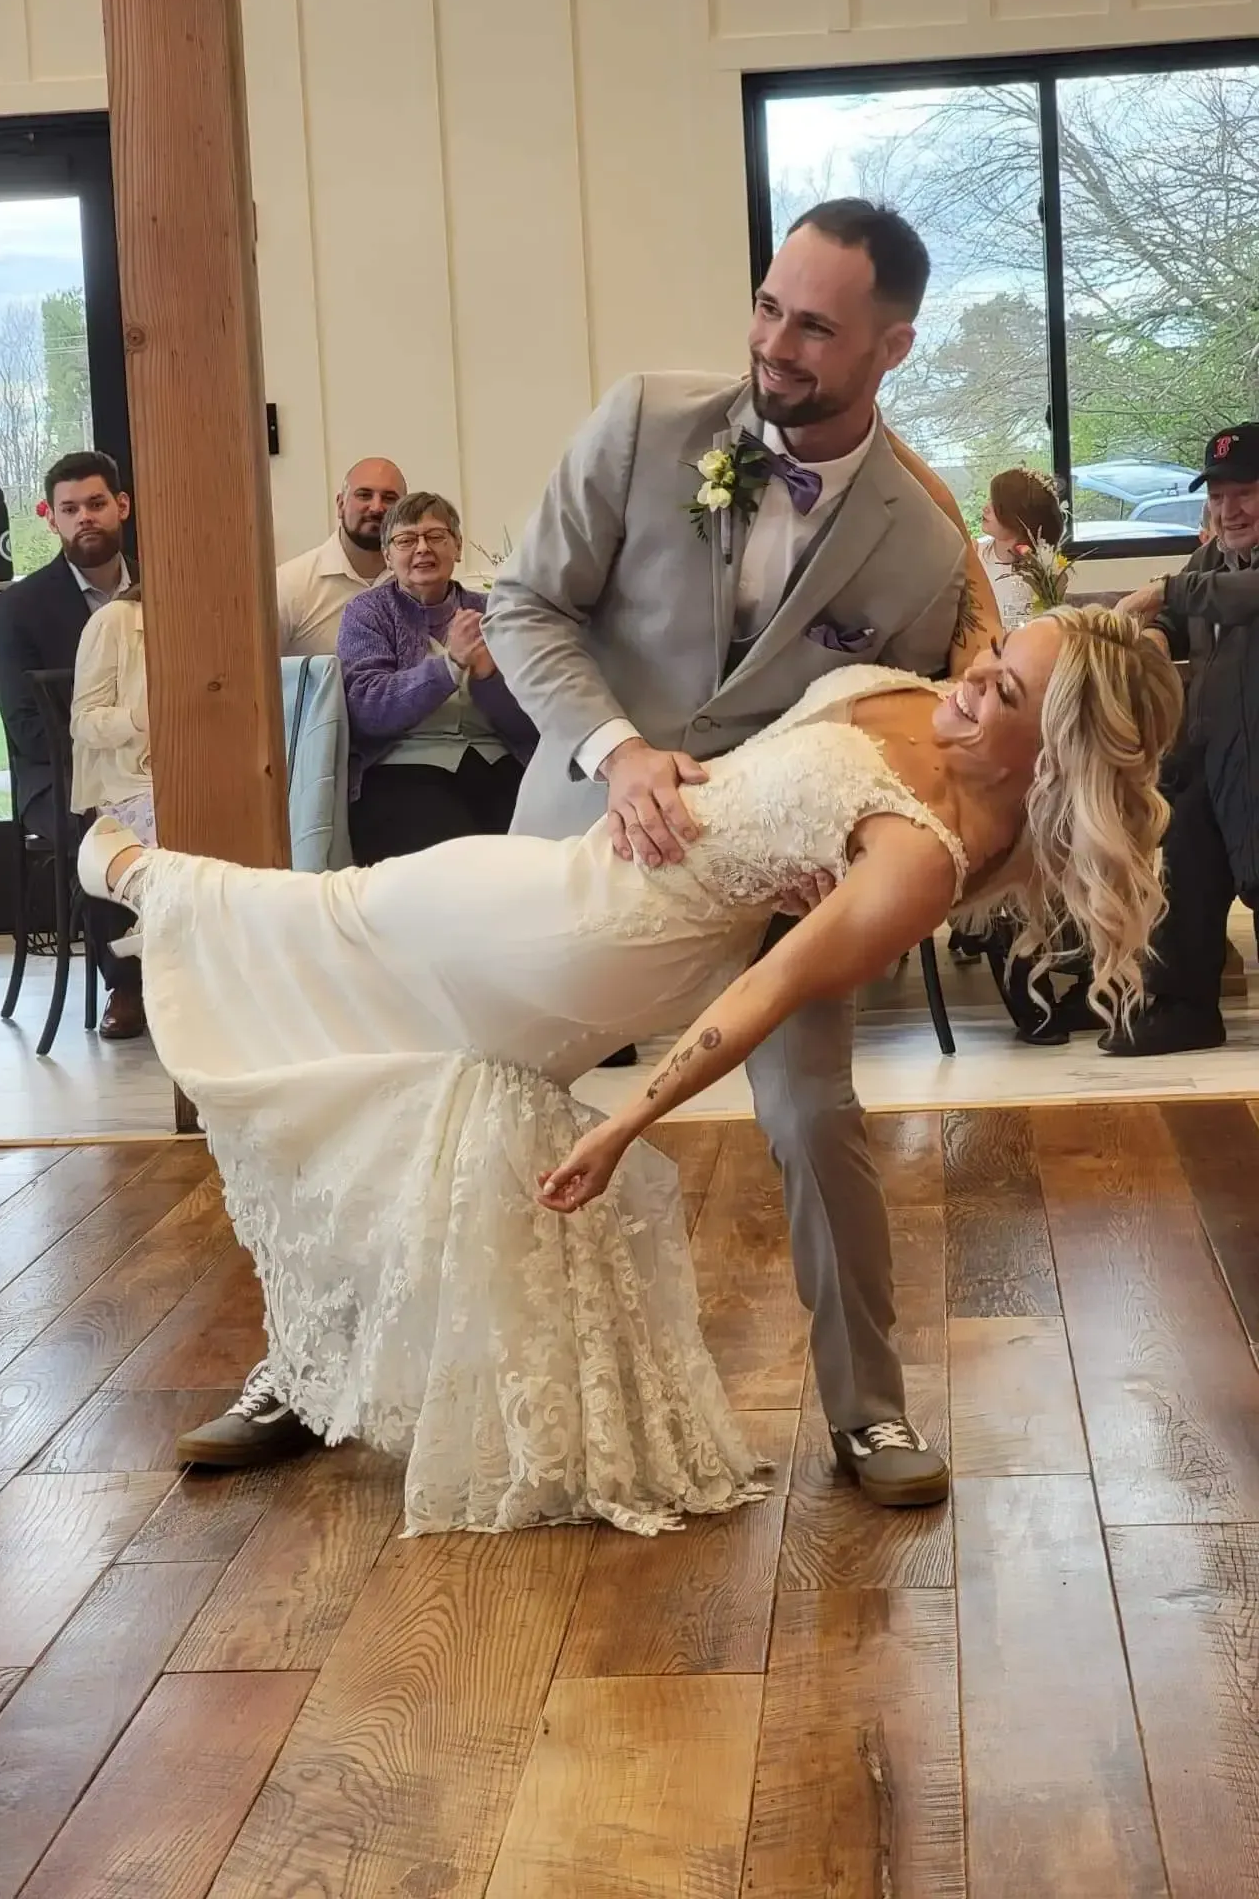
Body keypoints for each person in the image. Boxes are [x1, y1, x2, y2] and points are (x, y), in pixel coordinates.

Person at [77, 608, 1181, 1535]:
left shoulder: (921, 859)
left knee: (329, 925)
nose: (971, 682)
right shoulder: (940, 706)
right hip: (572, 873)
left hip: (602, 937)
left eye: (1002, 691)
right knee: (390, 1069)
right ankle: (311, 1369)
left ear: (1050, 752)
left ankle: (129, 865)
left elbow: (762, 995)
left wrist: (621, 1125)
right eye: (990, 660)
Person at [481, 198, 1002, 1511]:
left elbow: (900, 721)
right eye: (769, 307)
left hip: (780, 885)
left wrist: (846, 841)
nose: (773, 343)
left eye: (815, 328)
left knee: (817, 1116)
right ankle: (308, 1370)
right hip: (586, 833)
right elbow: (524, 603)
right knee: (459, 1093)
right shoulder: (643, 423)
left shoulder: (924, 546)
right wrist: (618, 751)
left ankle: (870, 1412)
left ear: (892, 347)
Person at [1105, 423, 1259, 1055]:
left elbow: (1233, 597)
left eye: (1245, 493)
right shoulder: (1212, 558)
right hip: (1208, 756)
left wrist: (1164, 590)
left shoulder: (1221, 575)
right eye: (1218, 497)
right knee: (1185, 873)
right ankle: (1184, 1009)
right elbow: (1177, 615)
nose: (1229, 511)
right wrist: (1156, 636)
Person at [0, 451, 145, 1041]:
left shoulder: (167, 586)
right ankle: (128, 984)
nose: (85, 518)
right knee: (103, 826)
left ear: (121, 506)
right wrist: (106, 763)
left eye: (97, 504)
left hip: (152, 764)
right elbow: (26, 727)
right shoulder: (21, 607)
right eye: (70, 508)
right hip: (58, 775)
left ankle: (202, 970)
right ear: (50, 517)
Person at [341, 493, 537, 865]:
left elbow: (532, 722)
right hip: (402, 768)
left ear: (457, 546)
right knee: (458, 866)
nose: (422, 548)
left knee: (533, 859)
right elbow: (367, 710)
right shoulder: (368, 612)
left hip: (498, 763)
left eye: (435, 536)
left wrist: (488, 676)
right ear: (387, 556)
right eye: (406, 540)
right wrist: (449, 666)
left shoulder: (493, 611)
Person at [275, 457, 407, 656]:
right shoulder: (289, 585)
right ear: (340, 504)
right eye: (364, 495)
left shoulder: (420, 582)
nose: (376, 507)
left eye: (389, 498)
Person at [70, 584, 155, 845]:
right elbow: (82, 722)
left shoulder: (218, 618)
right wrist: (136, 719)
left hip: (204, 775)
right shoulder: (114, 620)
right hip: (132, 788)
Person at [979, 468, 1067, 631]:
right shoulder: (972, 554)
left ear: (1019, 517)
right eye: (990, 500)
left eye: (997, 506)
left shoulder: (1047, 572)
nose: (985, 508)